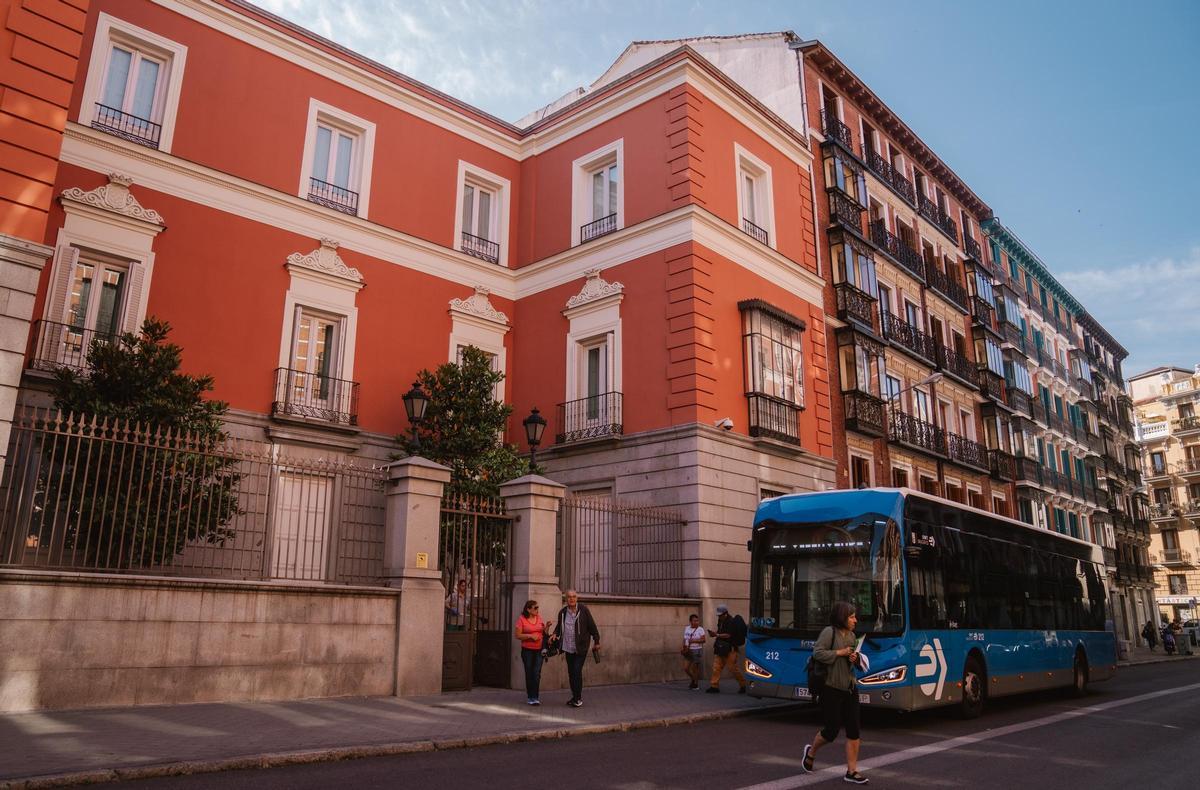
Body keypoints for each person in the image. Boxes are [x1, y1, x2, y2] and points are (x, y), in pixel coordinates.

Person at [801, 601, 869, 785]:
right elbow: (817, 653)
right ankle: (811, 752)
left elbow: (853, 660)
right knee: (831, 731)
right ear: (842, 618)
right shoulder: (828, 633)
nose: (855, 620)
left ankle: (852, 771)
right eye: (852, 616)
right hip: (831, 689)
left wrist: (855, 658)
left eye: (855, 616)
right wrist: (839, 652)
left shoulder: (853, 636)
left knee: (854, 730)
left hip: (850, 687)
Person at [551, 589, 600, 707]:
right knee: (571, 673)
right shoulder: (562, 612)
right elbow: (559, 626)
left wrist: (596, 641)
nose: (571, 599)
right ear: (566, 599)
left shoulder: (583, 610)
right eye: (569, 597)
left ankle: (578, 698)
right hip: (568, 647)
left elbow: (592, 626)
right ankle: (574, 697)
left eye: (574, 597)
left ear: (577, 598)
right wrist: (554, 633)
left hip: (581, 648)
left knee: (576, 671)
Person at [706, 604, 747, 694]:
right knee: (716, 667)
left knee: (733, 668)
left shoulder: (731, 622)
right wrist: (714, 633)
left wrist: (716, 635)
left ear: (725, 614)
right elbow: (720, 632)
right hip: (720, 648)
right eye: (718, 615)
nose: (719, 617)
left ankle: (743, 685)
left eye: (720, 615)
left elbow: (728, 635)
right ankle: (714, 686)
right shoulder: (720, 621)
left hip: (730, 649)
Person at [514, 599, 548, 705]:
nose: (537, 610)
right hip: (527, 650)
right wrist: (530, 636)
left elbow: (544, 632)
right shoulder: (522, 619)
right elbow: (517, 635)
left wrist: (547, 627)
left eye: (538, 607)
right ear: (528, 609)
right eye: (535, 608)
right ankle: (530, 697)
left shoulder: (539, 618)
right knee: (529, 673)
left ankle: (536, 697)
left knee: (536, 673)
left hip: (539, 650)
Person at [682, 613, 706, 690]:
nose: (696, 622)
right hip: (688, 650)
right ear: (690, 621)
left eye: (697, 621)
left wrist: (694, 640)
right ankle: (694, 679)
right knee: (686, 668)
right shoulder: (687, 628)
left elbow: (703, 640)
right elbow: (685, 639)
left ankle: (696, 684)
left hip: (696, 650)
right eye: (694, 621)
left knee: (695, 668)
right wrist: (683, 647)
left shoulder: (700, 629)